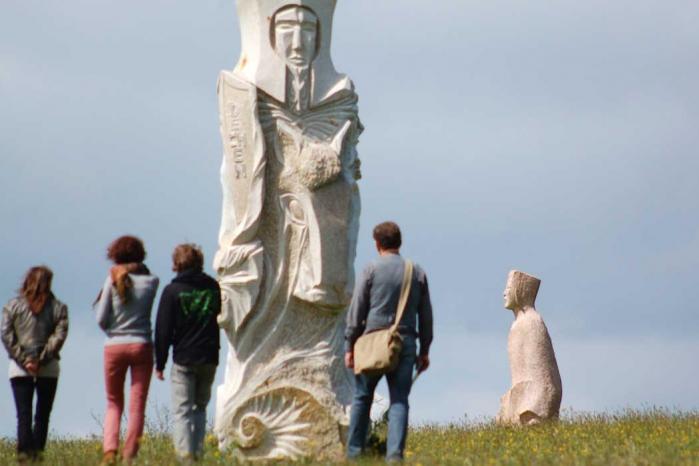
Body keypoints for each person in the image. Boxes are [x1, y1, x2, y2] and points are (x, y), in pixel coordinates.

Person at [344, 221, 433, 461]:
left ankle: (354, 454)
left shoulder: (371, 269)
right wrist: (425, 350)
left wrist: (350, 345)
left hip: (373, 342)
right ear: (399, 243)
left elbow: (357, 310)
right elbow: (425, 316)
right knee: (399, 400)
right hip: (405, 343)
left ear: (377, 243)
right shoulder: (416, 272)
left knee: (362, 397)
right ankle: (395, 457)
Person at [94, 235, 159, 464]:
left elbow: (101, 319)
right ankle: (130, 454)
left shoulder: (110, 281)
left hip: (114, 346)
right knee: (137, 405)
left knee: (113, 401)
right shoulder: (152, 282)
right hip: (142, 345)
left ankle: (110, 451)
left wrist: (114, 330)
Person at [154, 244, 221, 461]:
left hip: (183, 358)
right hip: (209, 356)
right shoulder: (213, 287)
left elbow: (163, 329)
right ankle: (198, 453)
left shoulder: (172, 291)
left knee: (182, 411)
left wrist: (160, 363)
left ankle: (185, 458)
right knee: (200, 408)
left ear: (176, 264)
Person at [1, 266, 69, 463]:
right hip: (48, 368)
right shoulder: (59, 308)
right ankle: (37, 456)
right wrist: (41, 359)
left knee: (23, 415)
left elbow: (6, 335)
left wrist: (24, 360)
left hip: (19, 369)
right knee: (42, 415)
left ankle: (23, 457)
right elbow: (59, 336)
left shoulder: (12, 306)